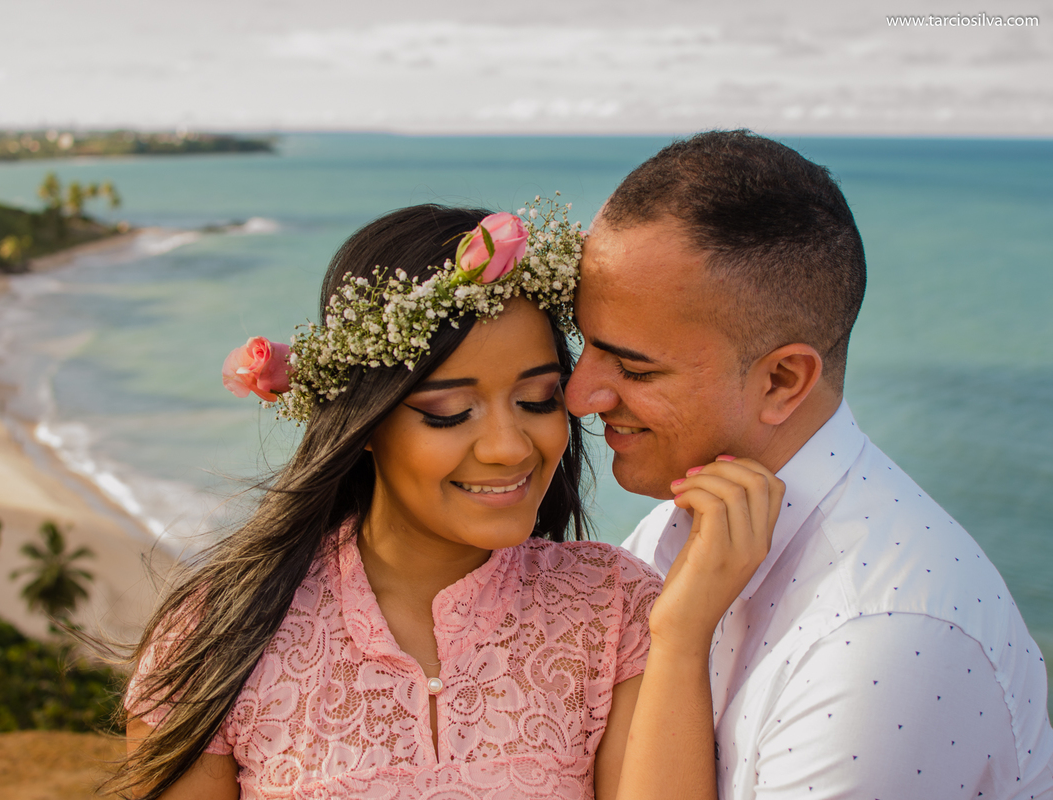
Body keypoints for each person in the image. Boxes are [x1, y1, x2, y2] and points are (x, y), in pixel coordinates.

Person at [111, 200, 784, 800]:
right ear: (367, 423)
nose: (508, 447)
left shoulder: (617, 615)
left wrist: (683, 632)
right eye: (449, 411)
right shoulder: (215, 637)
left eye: (537, 400)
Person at [567, 129, 1053, 799]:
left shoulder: (885, 641)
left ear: (781, 381)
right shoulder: (669, 535)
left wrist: (676, 640)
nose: (577, 396)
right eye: (584, 344)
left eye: (632, 366)